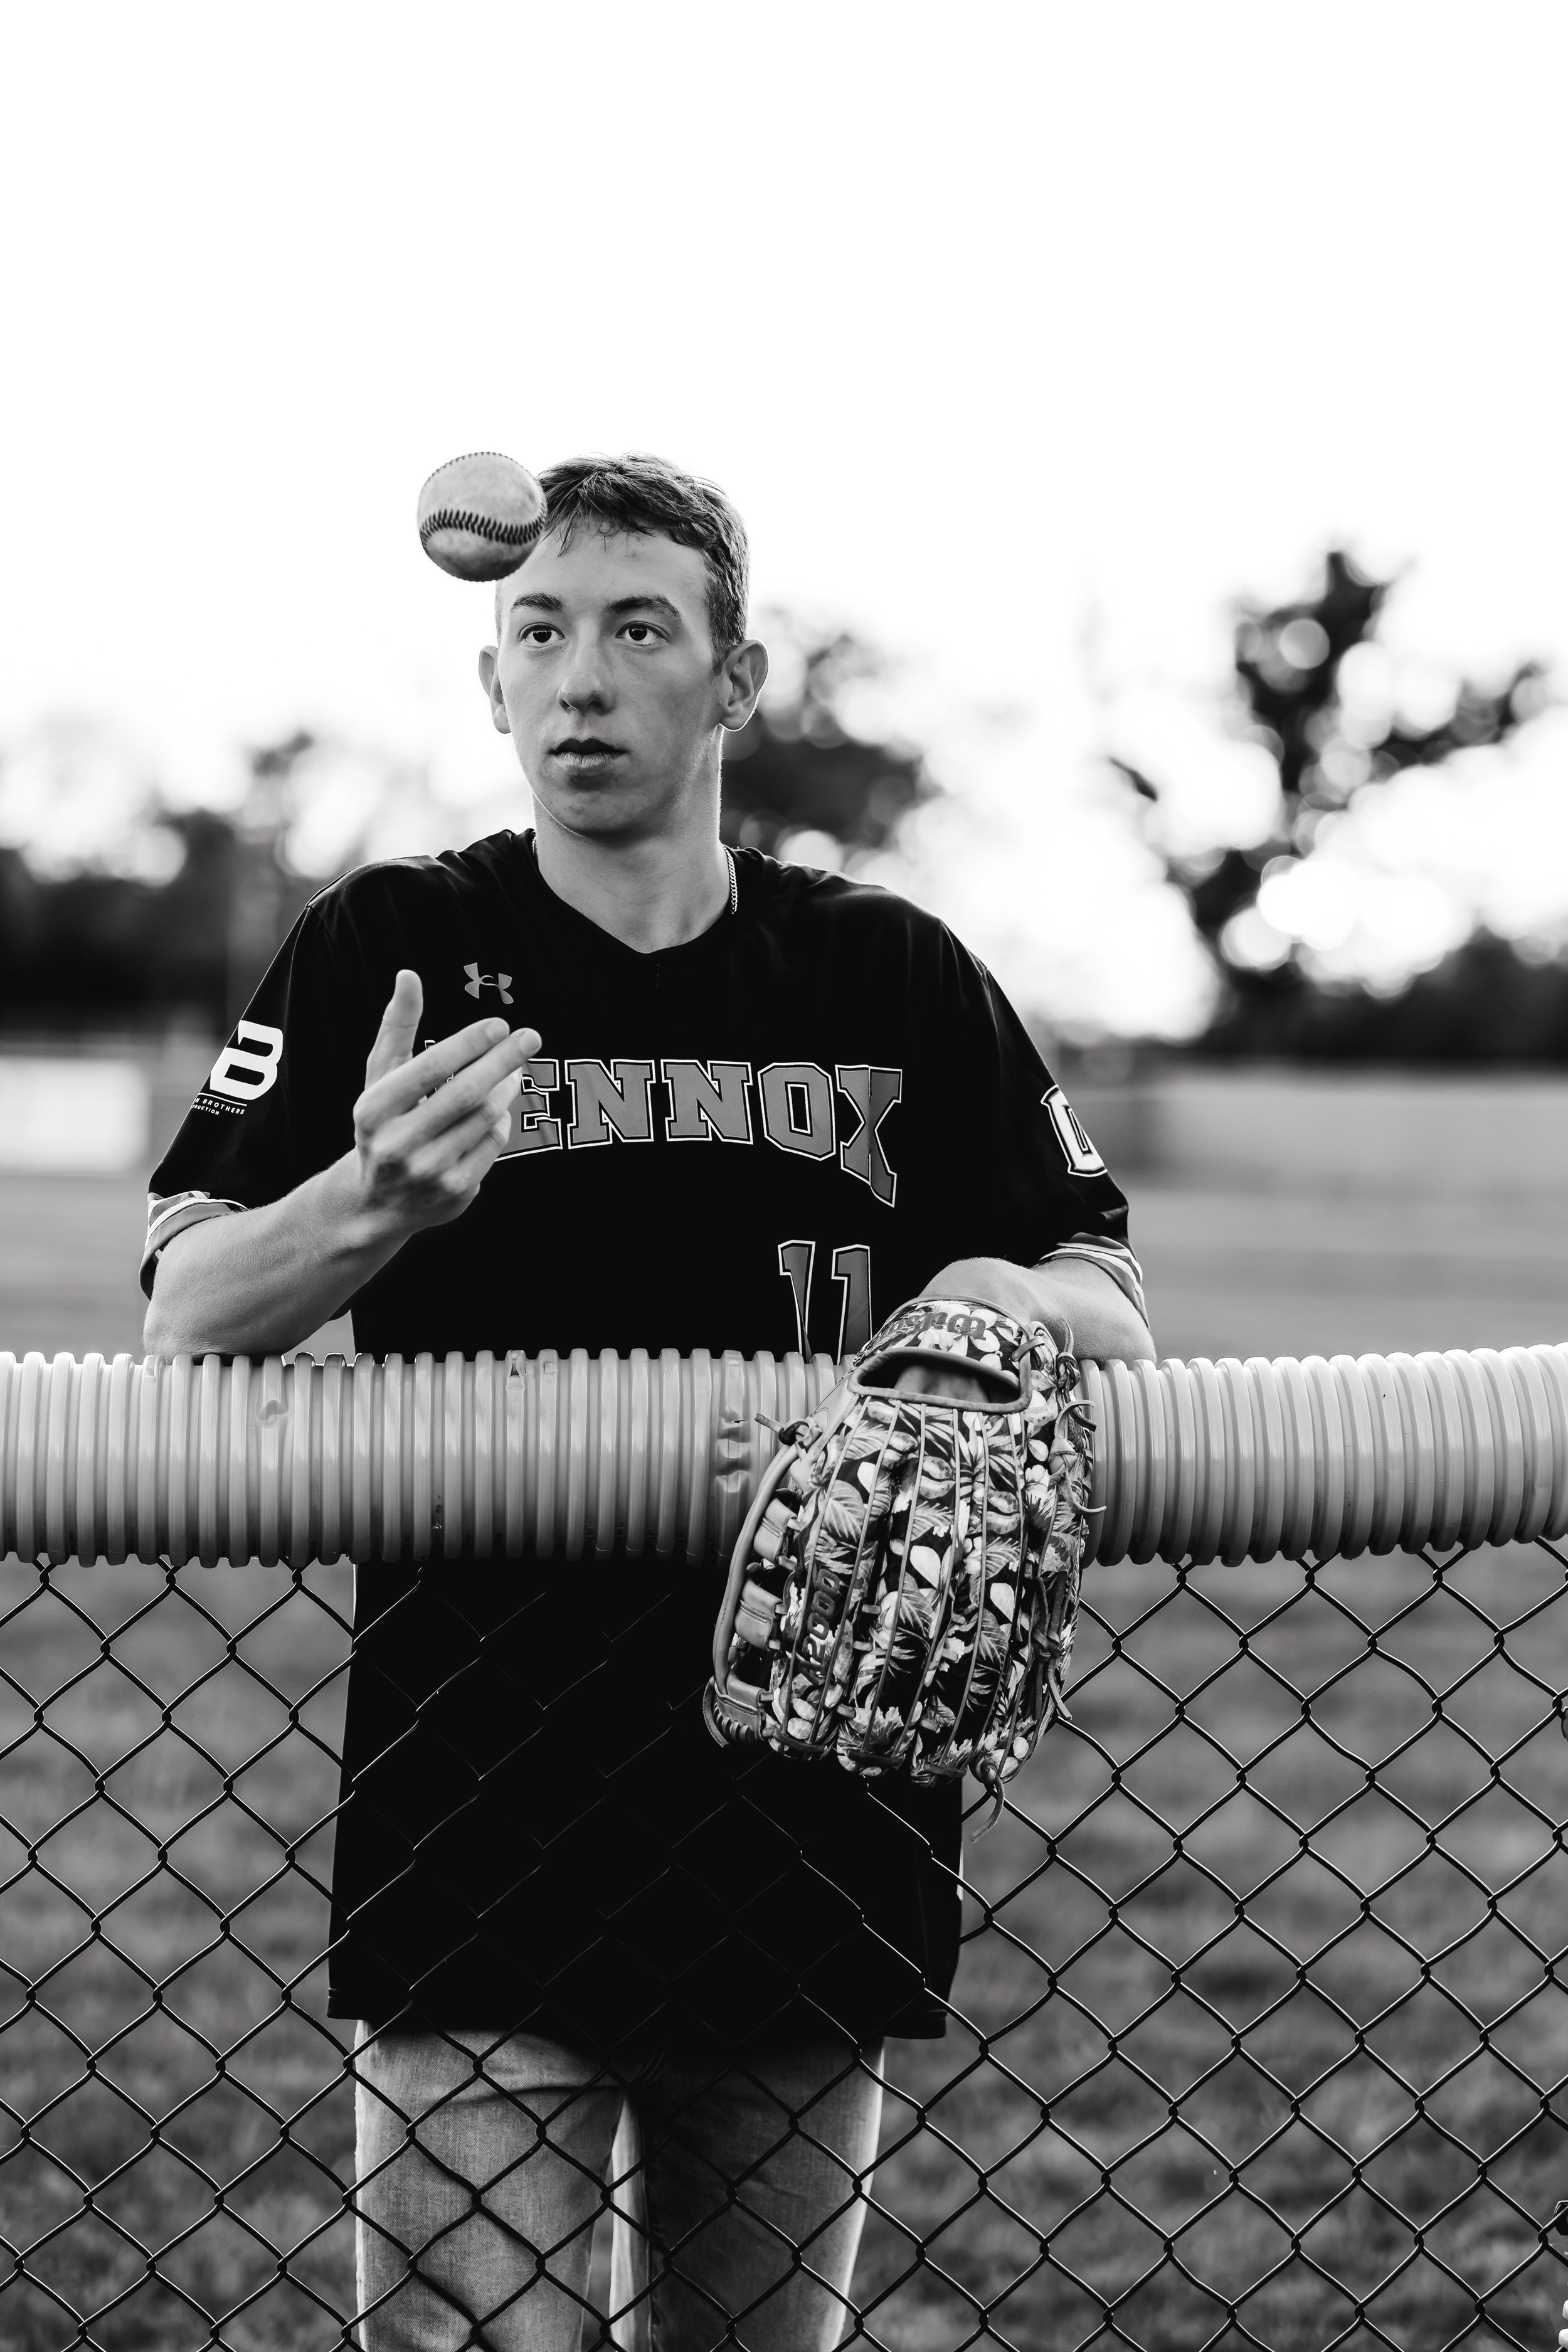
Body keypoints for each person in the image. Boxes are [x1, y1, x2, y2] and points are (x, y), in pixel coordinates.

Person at [141, 453, 1156, 2351]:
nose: (582, 677)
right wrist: (372, 1201)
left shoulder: (889, 970)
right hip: (476, 1805)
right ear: (489, 684)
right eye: (537, 631)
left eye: (635, 629)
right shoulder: (391, 947)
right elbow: (191, 1311)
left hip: (811, 1815)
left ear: (735, 680)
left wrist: (985, 1287)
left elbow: (1104, 1296)